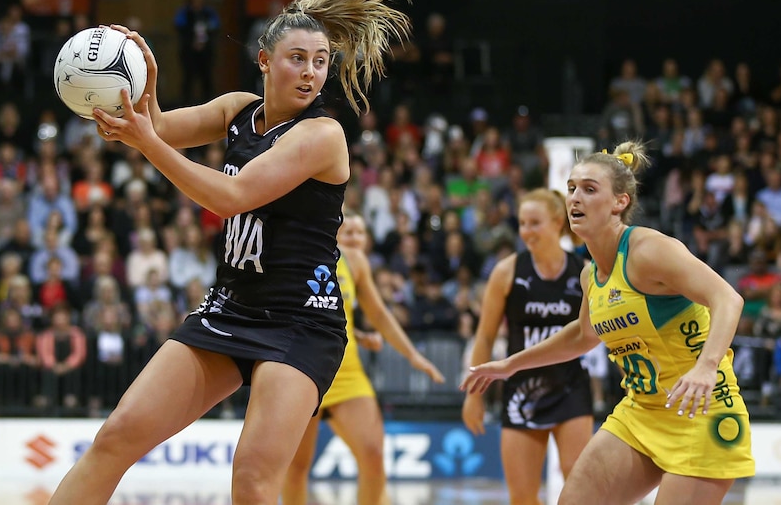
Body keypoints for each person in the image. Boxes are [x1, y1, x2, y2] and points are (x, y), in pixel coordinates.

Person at [47, 0, 413, 505]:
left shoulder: (323, 135)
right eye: (297, 59)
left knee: (253, 479)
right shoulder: (238, 111)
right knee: (117, 436)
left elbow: (230, 196)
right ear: (265, 61)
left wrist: (147, 141)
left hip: (300, 322)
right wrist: (138, 80)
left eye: (320, 62)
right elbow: (162, 126)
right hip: (230, 307)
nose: (311, 73)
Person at [461, 141, 755, 505]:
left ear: (620, 202)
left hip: (701, 411)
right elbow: (583, 336)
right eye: (571, 189)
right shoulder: (590, 275)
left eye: (589, 189)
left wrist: (707, 367)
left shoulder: (648, 250)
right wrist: (511, 364)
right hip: (642, 412)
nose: (575, 199)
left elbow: (728, 298)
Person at [282, 211, 444, 505]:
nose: (355, 239)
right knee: (296, 466)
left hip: (347, 373)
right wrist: (355, 333)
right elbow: (301, 312)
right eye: (349, 232)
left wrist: (412, 355)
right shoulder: (302, 254)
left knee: (373, 454)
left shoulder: (355, 262)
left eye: (360, 233)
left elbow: (378, 313)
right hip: (304, 369)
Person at [462, 188, 593, 505]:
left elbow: (600, 332)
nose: (526, 232)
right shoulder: (507, 272)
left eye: (534, 223)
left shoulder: (585, 271)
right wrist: (474, 396)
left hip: (570, 385)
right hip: (520, 390)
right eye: (522, 223)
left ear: (557, 222)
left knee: (579, 482)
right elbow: (485, 337)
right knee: (522, 496)